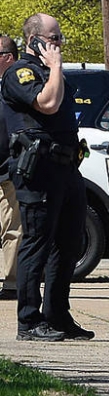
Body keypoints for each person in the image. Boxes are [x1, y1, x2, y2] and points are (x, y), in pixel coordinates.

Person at [1, 14, 92, 341]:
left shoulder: (50, 72)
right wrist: (54, 66)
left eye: (59, 38)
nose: (59, 44)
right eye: (53, 38)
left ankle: (57, 315)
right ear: (35, 40)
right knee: (37, 244)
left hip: (67, 169)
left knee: (67, 245)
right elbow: (48, 104)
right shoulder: (20, 73)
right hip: (38, 170)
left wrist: (54, 67)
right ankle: (28, 321)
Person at [0, 35, 23, 301]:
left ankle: (12, 283)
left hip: (9, 170)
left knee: (12, 228)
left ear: (8, 57)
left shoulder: (18, 86)